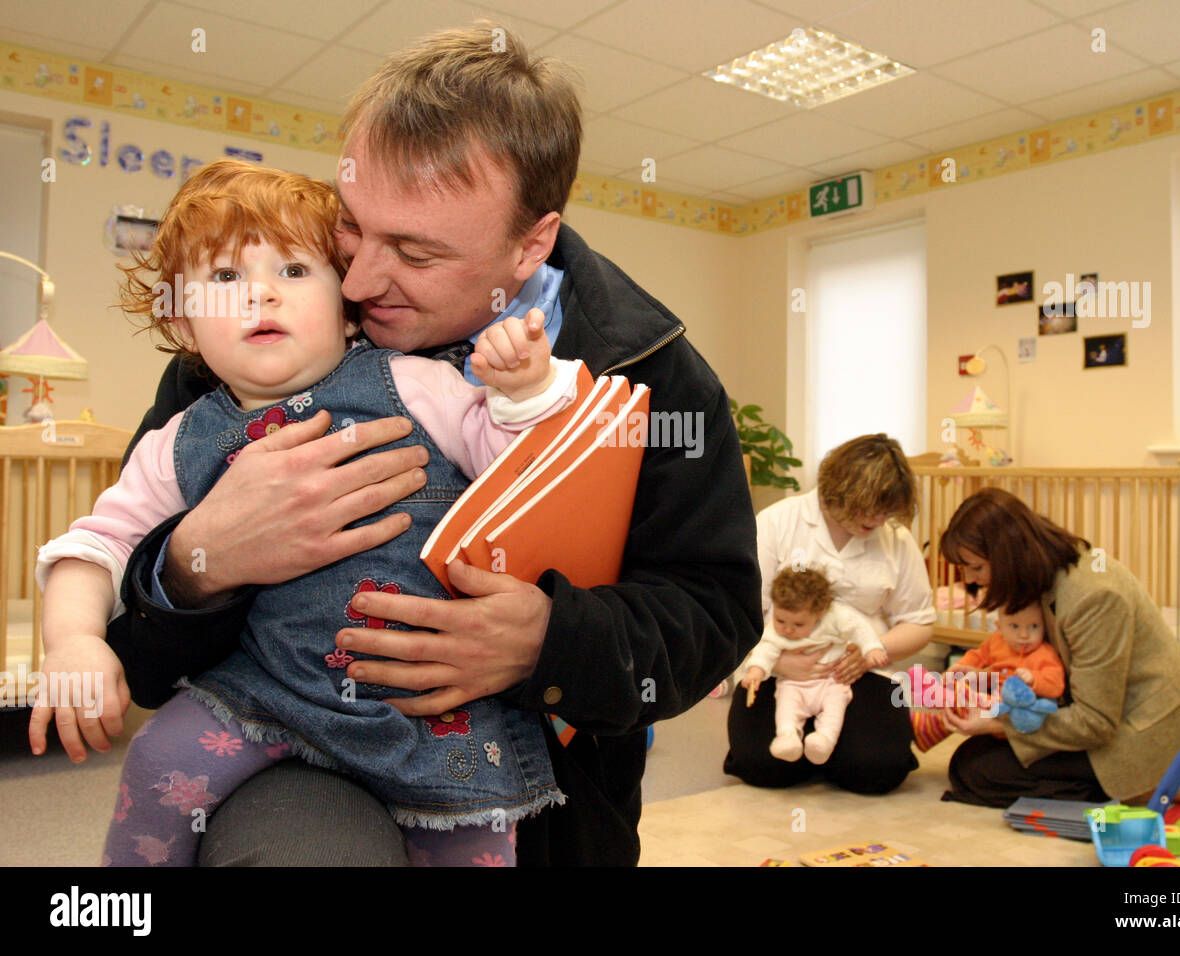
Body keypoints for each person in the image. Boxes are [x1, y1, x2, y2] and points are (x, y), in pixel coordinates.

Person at [98, 24, 761, 867]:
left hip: (540, 797)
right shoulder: (245, 342)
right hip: (287, 754)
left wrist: (551, 643)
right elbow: (131, 642)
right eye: (351, 230)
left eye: (415, 252)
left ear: (531, 244)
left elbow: (717, 612)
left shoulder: (652, 374)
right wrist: (198, 562)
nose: (361, 280)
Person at [30, 159, 585, 866]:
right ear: (182, 317)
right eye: (225, 278)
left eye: (294, 271)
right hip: (265, 692)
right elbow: (96, 547)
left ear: (347, 302)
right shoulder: (177, 443)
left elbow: (517, 471)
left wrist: (523, 390)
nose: (261, 294)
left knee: (475, 845)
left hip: (430, 706)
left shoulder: (416, 383)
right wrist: (73, 640)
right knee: (157, 760)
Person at [937, 487, 1180, 808]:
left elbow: (1095, 721)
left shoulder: (1093, 596)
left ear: (1006, 557)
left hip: (1139, 728)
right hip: (1103, 712)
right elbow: (1032, 650)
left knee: (977, 772)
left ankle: (1138, 787)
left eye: (977, 568)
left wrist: (998, 723)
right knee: (973, 757)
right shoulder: (1047, 572)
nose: (972, 579)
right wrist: (980, 673)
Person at [724, 434, 936, 792]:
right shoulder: (777, 522)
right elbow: (739, 615)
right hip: (779, 668)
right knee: (761, 767)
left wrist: (869, 653)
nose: (879, 519)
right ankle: (814, 746)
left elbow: (919, 622)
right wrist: (779, 662)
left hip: (857, 672)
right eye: (869, 508)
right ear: (835, 490)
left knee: (877, 770)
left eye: (887, 510)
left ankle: (830, 748)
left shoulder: (895, 538)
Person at [740, 566, 888, 764]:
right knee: (786, 702)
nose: (788, 629)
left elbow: (859, 628)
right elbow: (765, 650)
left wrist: (872, 648)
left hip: (831, 681)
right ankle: (787, 737)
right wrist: (755, 671)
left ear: (820, 612)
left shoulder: (835, 616)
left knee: (836, 704)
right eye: (780, 620)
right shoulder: (776, 632)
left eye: (798, 624)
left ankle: (824, 740)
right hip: (794, 683)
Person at [910, 600, 1065, 752]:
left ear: (1044, 627)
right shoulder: (998, 641)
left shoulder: (1045, 654)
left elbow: (1056, 684)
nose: (1024, 635)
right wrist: (959, 667)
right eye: (1015, 626)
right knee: (962, 705)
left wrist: (1033, 678)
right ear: (1000, 628)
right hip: (993, 701)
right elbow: (978, 655)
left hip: (1013, 713)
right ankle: (926, 729)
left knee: (971, 700)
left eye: (1034, 626)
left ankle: (937, 695)